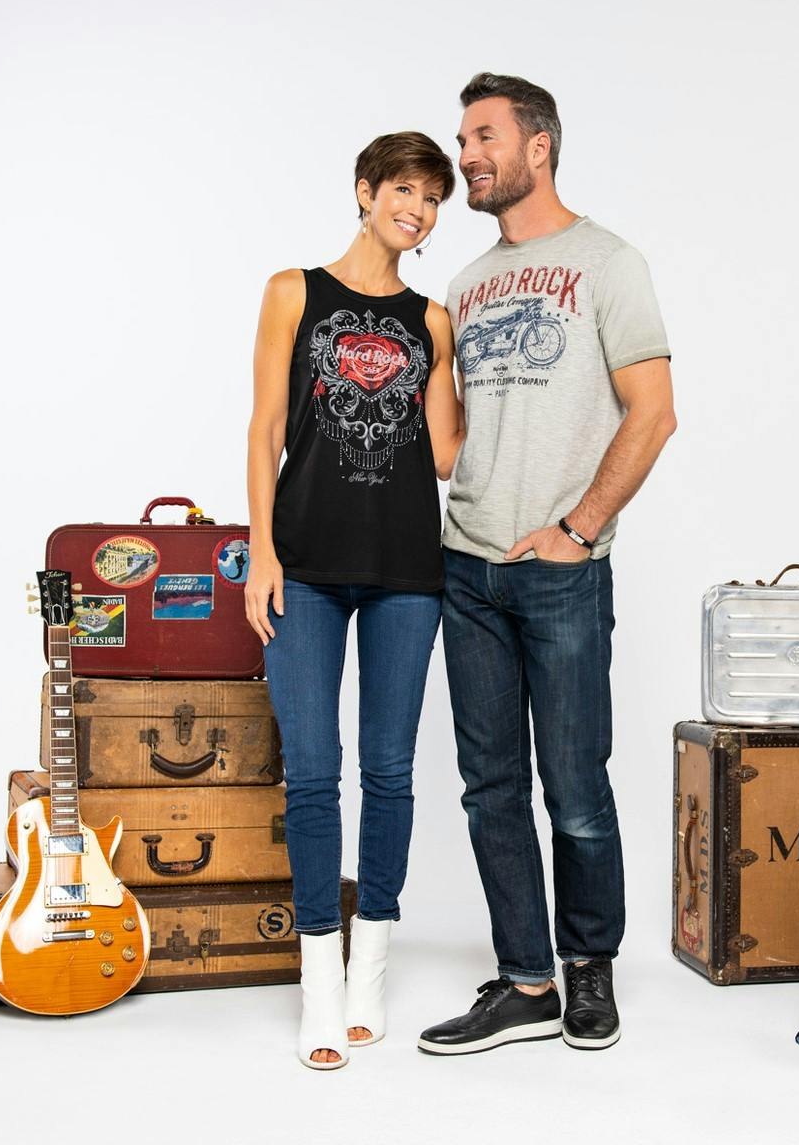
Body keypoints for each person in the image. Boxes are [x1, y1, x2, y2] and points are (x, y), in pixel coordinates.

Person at [418, 74, 677, 1056]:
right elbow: (453, 449)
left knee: (574, 787)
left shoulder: (609, 263)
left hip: (563, 573)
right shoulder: (465, 286)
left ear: (539, 147)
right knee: (489, 790)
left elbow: (654, 414)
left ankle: (590, 975)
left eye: (483, 135)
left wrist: (579, 526)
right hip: (466, 570)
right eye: (460, 138)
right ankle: (526, 982)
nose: (466, 153)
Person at [244, 131, 462, 1070]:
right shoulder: (292, 290)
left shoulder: (436, 318)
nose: (417, 210)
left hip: (410, 567)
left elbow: (446, 456)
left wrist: (485, 368)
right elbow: (264, 429)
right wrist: (261, 552)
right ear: (366, 192)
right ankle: (319, 980)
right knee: (311, 774)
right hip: (305, 563)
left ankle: (371, 961)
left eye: (432, 198)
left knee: (390, 773)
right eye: (405, 190)